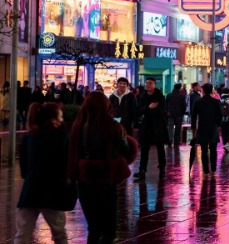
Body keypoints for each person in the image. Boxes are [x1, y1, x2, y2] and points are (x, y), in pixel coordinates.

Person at [68, 92, 136, 244]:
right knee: (109, 229)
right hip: (107, 178)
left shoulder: (78, 126)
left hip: (84, 178)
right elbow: (126, 152)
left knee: (93, 227)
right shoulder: (112, 126)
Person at [16, 103, 71, 244]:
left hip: (30, 190)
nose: (62, 118)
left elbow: (24, 166)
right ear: (53, 117)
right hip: (52, 191)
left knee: (22, 235)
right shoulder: (60, 135)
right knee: (59, 234)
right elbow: (65, 161)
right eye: (60, 115)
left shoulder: (30, 136)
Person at [133, 77, 168, 180]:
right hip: (147, 125)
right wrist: (149, 107)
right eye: (147, 83)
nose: (147, 85)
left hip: (158, 125)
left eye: (150, 83)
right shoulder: (143, 96)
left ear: (154, 85)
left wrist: (148, 110)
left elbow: (160, 111)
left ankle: (162, 168)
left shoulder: (160, 97)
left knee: (160, 147)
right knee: (144, 148)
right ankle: (142, 170)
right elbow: (139, 110)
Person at [191, 83, 223, 176]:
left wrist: (194, 127)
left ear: (203, 91)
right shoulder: (216, 102)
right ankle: (213, 168)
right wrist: (217, 124)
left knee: (204, 150)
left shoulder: (198, 102)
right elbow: (220, 115)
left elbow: (194, 115)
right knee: (213, 149)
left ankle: (205, 169)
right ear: (211, 90)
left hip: (202, 127)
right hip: (213, 128)